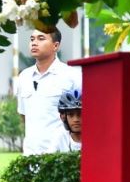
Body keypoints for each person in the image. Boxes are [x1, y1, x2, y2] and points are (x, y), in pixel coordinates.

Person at [16, 26, 82, 155]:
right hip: (30, 156)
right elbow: (24, 115)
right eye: (32, 39)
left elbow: (83, 115)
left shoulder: (72, 75)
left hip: (61, 155)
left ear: (55, 46)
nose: (34, 43)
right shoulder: (24, 76)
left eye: (41, 39)